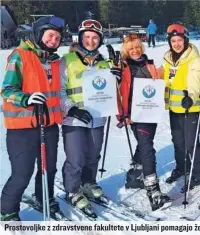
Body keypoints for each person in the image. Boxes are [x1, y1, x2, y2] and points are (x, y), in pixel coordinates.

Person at [1, 16, 65, 221]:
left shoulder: (55, 62)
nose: (53, 40)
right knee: (22, 173)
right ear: (39, 34)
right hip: (22, 127)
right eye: (50, 35)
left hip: (49, 124)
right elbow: (6, 90)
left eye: (57, 37)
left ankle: (44, 198)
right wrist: (26, 99)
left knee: (49, 169)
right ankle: (7, 210)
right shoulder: (20, 56)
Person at [113, 35, 170, 211]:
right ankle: (153, 190)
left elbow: (162, 80)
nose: (135, 50)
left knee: (144, 144)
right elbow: (115, 91)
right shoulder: (122, 67)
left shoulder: (150, 64)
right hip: (134, 115)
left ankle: (134, 175)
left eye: (137, 47)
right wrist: (121, 114)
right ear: (126, 51)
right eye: (131, 49)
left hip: (151, 113)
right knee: (147, 148)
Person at [60, 19, 110, 214]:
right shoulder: (67, 61)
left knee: (93, 154)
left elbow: (108, 92)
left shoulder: (104, 62)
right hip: (73, 118)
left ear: (100, 40)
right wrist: (71, 108)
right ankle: (73, 190)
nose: (90, 41)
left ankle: (89, 182)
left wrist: (116, 77)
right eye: (87, 37)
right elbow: (59, 90)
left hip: (97, 118)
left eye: (94, 38)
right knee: (76, 157)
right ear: (80, 38)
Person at [162, 23, 200, 193]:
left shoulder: (194, 59)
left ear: (185, 40)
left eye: (179, 40)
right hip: (174, 108)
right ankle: (182, 167)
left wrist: (190, 97)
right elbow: (163, 78)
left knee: (190, 143)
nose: (176, 44)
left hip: (190, 107)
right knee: (178, 142)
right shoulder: (168, 58)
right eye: (173, 40)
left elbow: (195, 80)